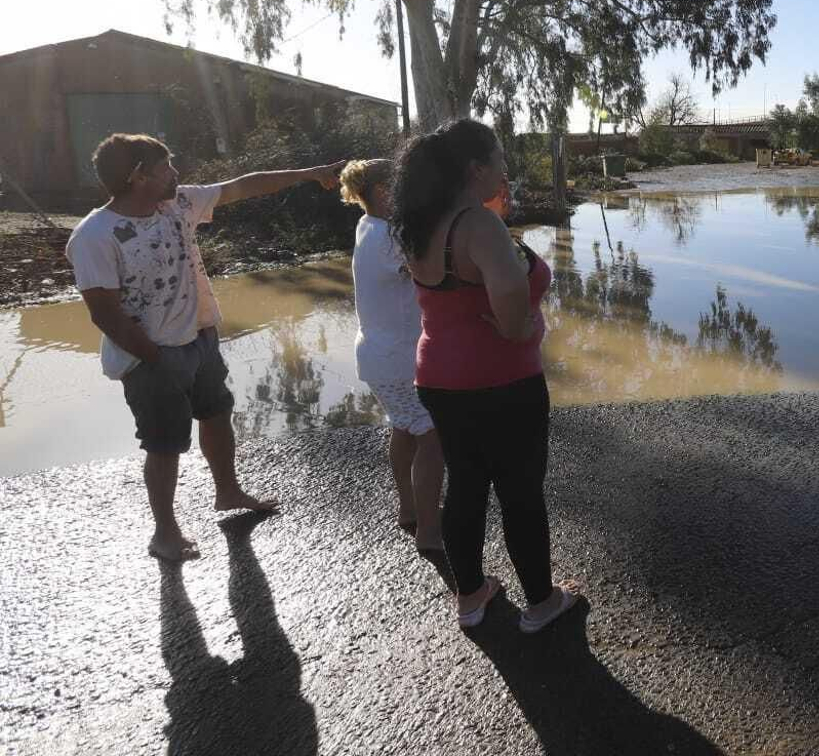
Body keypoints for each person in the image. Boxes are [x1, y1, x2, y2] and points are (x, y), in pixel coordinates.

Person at [64, 134, 344, 562]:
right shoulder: (94, 236)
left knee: (216, 413)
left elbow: (244, 185)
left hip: (201, 337)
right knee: (164, 443)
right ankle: (165, 532)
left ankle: (228, 491)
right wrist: (156, 359)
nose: (175, 174)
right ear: (138, 176)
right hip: (149, 356)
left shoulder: (178, 204)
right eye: (165, 167)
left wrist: (308, 174)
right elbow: (105, 314)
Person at [391, 119, 580, 632]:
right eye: (499, 158)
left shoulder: (420, 223)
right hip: (502, 381)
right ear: (476, 169)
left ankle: (470, 597)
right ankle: (541, 604)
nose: (505, 167)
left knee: (467, 486)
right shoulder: (479, 226)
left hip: (438, 378)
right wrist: (519, 327)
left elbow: (461, 285)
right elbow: (513, 308)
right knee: (520, 492)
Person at [339, 159, 443, 553]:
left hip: (379, 355)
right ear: (384, 191)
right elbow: (433, 268)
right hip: (399, 359)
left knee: (406, 429)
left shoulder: (369, 226)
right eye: (403, 184)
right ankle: (430, 530)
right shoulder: (389, 239)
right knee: (434, 438)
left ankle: (410, 509)